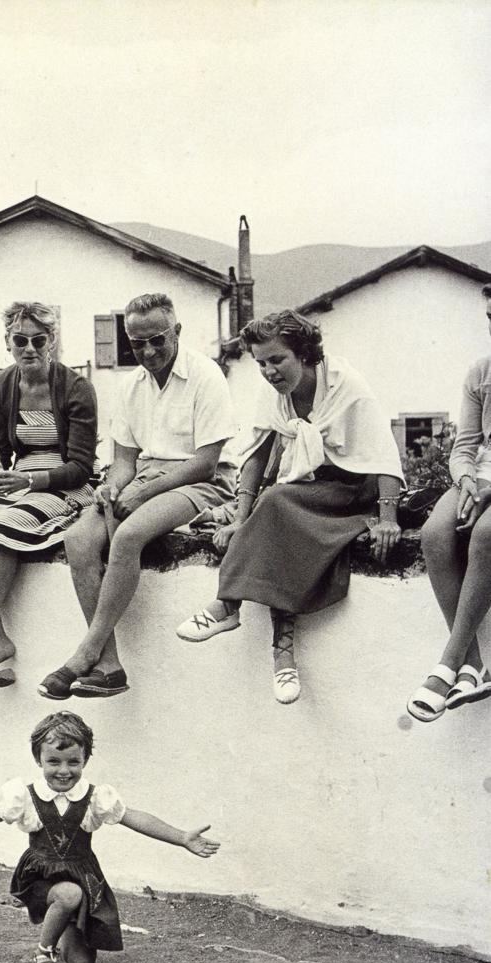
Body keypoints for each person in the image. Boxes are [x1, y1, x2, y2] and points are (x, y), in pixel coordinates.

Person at [176, 309, 403, 703]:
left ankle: (228, 605)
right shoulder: (275, 391)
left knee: (277, 502)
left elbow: (383, 455)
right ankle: (283, 658)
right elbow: (257, 455)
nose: (268, 371)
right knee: (278, 525)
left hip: (352, 491)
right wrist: (239, 519)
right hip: (307, 488)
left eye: (277, 360)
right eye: (261, 363)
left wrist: (387, 520)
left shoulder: (346, 385)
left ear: (304, 353)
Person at [0, 711, 219, 963]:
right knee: (68, 895)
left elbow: (135, 817)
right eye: (53, 761)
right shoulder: (24, 796)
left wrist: (181, 837)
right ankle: (42, 956)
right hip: (40, 877)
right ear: (39, 760)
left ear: (85, 760)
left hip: (83, 877)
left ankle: (67, 925)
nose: (64, 771)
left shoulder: (96, 798)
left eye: (73, 762)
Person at [38, 292, 237, 699]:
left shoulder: (206, 375)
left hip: (200, 482)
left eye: (157, 340)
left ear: (176, 332)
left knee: (128, 536)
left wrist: (142, 492)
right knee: (78, 539)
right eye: (137, 343)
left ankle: (85, 651)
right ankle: (109, 666)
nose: (148, 351)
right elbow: (125, 460)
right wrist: (113, 486)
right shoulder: (130, 386)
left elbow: (205, 463)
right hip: (145, 476)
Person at [0, 302, 98, 688]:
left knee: (5, 525)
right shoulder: (2, 384)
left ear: (52, 341)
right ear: (8, 342)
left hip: (62, 482)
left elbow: (81, 466)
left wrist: (28, 483)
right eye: (20, 340)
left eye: (38, 340)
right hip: (19, 476)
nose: (29, 348)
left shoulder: (76, 388)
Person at [407, 284, 491, 720]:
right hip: (479, 477)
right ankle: (474, 666)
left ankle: (447, 662)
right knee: (436, 532)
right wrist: (466, 481)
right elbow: (465, 445)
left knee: (487, 532)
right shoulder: (481, 373)